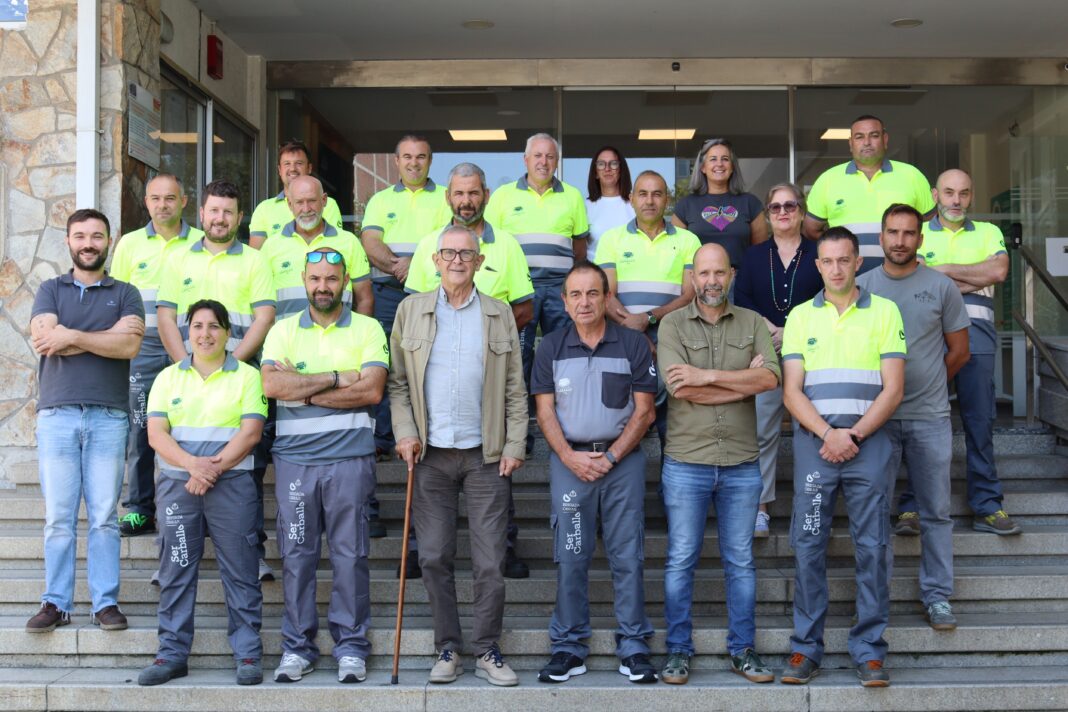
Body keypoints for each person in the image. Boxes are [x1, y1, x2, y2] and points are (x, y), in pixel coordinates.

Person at [388, 225, 527, 687]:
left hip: (486, 455)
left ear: (479, 261)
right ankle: (447, 646)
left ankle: (487, 649)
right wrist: (405, 432)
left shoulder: (498, 313)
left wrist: (514, 443)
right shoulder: (410, 310)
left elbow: (515, 386)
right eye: (448, 253)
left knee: (490, 561)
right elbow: (398, 384)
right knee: (432, 556)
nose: (456, 261)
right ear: (435, 260)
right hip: (430, 455)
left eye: (466, 254)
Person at [779, 227, 905, 688]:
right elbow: (791, 391)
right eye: (827, 261)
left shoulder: (885, 311)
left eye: (843, 260)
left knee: (873, 547)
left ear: (857, 262)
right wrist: (828, 434)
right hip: (816, 446)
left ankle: (869, 650)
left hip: (868, 446)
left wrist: (852, 435)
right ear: (818, 266)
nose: (836, 269)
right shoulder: (800, 316)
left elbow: (894, 389)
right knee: (809, 544)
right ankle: (806, 647)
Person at [261, 248, 388, 684]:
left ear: (346, 281)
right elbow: (271, 384)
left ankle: (351, 647)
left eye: (332, 279)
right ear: (303, 279)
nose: (323, 286)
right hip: (296, 463)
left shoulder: (368, 328)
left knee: (350, 555)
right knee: (297, 555)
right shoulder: (282, 330)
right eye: (315, 278)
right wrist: (336, 378)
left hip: (350, 461)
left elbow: (371, 391)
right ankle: (297, 647)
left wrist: (303, 390)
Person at [656, 243, 780, 686]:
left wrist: (707, 376)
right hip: (686, 461)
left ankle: (743, 650)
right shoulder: (671, 324)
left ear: (731, 275)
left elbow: (770, 379)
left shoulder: (752, 322)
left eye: (719, 273)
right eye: (704, 273)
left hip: (742, 462)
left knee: (741, 561)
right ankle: (677, 650)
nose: (711, 281)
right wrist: (742, 382)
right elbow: (679, 389)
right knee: (680, 560)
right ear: (692, 277)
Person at [405, 162, 535, 580]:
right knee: (433, 543)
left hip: (488, 394)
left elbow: (524, 307)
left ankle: (505, 549)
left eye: (474, 192)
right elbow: (415, 320)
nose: (466, 200)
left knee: (492, 530)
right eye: (459, 193)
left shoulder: (507, 245)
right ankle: (418, 550)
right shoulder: (430, 242)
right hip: (435, 430)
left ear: (486, 195)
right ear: (448, 197)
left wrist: (489, 332)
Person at [532, 263, 658, 685]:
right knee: (571, 555)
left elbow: (645, 411)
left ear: (606, 298)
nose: (584, 302)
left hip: (623, 464)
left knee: (628, 556)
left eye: (592, 293)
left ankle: (634, 646)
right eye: (575, 294)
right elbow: (544, 411)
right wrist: (570, 457)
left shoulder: (633, 344)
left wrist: (613, 456)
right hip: (570, 463)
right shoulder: (551, 347)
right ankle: (568, 647)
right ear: (564, 302)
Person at [137, 299, 266, 686]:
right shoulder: (167, 378)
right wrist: (194, 466)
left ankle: (247, 654)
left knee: (241, 571)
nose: (205, 334)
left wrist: (209, 470)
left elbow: (250, 434)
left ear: (228, 333)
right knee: (175, 570)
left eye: (213, 326)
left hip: (233, 487)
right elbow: (156, 434)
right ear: (186, 333)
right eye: (197, 326)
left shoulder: (248, 376)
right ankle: (171, 654)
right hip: (179, 488)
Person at [27, 208, 144, 634]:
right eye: (80, 236)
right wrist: (103, 337)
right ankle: (55, 602)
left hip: (108, 416)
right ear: (68, 241)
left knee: (104, 517)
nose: (88, 243)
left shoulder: (126, 293)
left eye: (96, 236)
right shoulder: (49, 289)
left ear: (109, 241)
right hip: (57, 415)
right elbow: (44, 339)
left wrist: (72, 335)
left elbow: (128, 345)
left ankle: (104, 603)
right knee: (59, 517)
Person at [858, 204, 970, 631]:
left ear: (920, 239)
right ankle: (875, 600)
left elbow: (959, 352)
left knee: (936, 511)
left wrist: (928, 383)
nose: (900, 240)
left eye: (909, 233)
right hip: (876, 421)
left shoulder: (942, 287)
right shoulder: (863, 287)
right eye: (893, 232)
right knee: (875, 512)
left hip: (929, 417)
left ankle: (937, 596)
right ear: (881, 237)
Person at [157, 179, 277, 580]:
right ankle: (169, 556)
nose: (220, 218)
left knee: (249, 467)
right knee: (174, 463)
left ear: (240, 217)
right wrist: (188, 366)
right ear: (201, 213)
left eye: (228, 211)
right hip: (185, 378)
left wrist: (228, 365)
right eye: (214, 210)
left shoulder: (254, 261)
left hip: (240, 377)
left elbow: (264, 317)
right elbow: (165, 317)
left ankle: (252, 553)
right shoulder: (178, 258)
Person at [908, 169, 1016, 534]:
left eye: (964, 193)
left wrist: (940, 272)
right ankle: (912, 505)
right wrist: (973, 276)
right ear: (935, 195)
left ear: (971, 196)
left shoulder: (988, 231)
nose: (956, 200)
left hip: (977, 336)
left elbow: (998, 272)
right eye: (949, 192)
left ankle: (987, 505)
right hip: (927, 337)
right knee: (919, 421)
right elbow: (913, 278)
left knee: (979, 420)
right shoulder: (917, 234)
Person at [111, 174, 204, 537]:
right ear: (146, 202)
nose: (162, 205)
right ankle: (139, 508)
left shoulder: (201, 242)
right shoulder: (130, 244)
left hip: (189, 344)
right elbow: (117, 298)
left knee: (195, 421)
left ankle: (198, 506)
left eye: (170, 198)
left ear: (184, 201)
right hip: (144, 348)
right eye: (155, 198)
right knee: (140, 425)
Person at [734, 183, 823, 537]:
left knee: (813, 429)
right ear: (768, 215)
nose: (783, 212)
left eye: (790, 206)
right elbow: (741, 300)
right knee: (761, 431)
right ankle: (761, 508)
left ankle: (813, 505)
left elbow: (829, 297)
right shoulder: (754, 256)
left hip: (812, 353)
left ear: (802, 212)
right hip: (764, 353)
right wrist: (768, 328)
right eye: (775, 207)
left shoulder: (819, 252)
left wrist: (792, 330)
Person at [484, 132, 590, 419]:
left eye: (550, 156)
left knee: (563, 353)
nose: (544, 162)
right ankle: (521, 423)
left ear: (557, 161)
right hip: (520, 290)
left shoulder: (572, 196)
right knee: (519, 354)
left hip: (559, 289)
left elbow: (579, 249)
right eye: (538, 156)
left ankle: (564, 418)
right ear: (526, 159)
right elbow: (490, 243)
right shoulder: (503, 195)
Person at [360, 135, 451, 463]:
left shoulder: (446, 197)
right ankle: (384, 437)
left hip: (432, 294)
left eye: (421, 157)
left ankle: (432, 435)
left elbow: (450, 240)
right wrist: (400, 267)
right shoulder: (380, 200)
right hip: (387, 293)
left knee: (433, 362)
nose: (414, 163)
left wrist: (416, 265)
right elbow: (370, 241)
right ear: (397, 161)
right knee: (388, 362)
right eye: (408, 157)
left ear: (430, 161)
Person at [803, 115, 934, 274]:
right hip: (847, 279)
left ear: (885, 140)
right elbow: (810, 230)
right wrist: (839, 249)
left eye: (874, 135)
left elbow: (932, 227)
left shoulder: (912, 176)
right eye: (859, 137)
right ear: (851, 143)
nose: (867, 142)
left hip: (903, 276)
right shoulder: (827, 180)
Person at [259, 175, 372, 319]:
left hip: (338, 332)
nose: (306, 209)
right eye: (299, 202)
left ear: (324, 200)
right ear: (290, 204)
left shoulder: (349, 242)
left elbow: (365, 299)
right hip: (286, 333)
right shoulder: (270, 246)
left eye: (312, 201)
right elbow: (260, 303)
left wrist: (359, 332)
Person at [672, 138, 767, 269]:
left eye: (725, 159)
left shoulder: (750, 203)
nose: (720, 164)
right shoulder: (685, 205)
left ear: (732, 167)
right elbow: (676, 254)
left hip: (741, 278)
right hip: (699, 279)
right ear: (703, 167)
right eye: (713, 159)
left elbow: (761, 253)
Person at [249, 140, 343, 248]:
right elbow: (256, 254)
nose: (293, 169)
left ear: (309, 168)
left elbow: (334, 246)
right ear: (279, 170)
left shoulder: (328, 204)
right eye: (287, 164)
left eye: (299, 163)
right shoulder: (263, 209)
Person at [584, 146, 635, 260]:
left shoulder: (635, 204)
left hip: (629, 269)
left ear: (621, 170)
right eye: (601, 164)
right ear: (596, 173)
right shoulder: (585, 207)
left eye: (613, 164)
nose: (607, 169)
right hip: (594, 269)